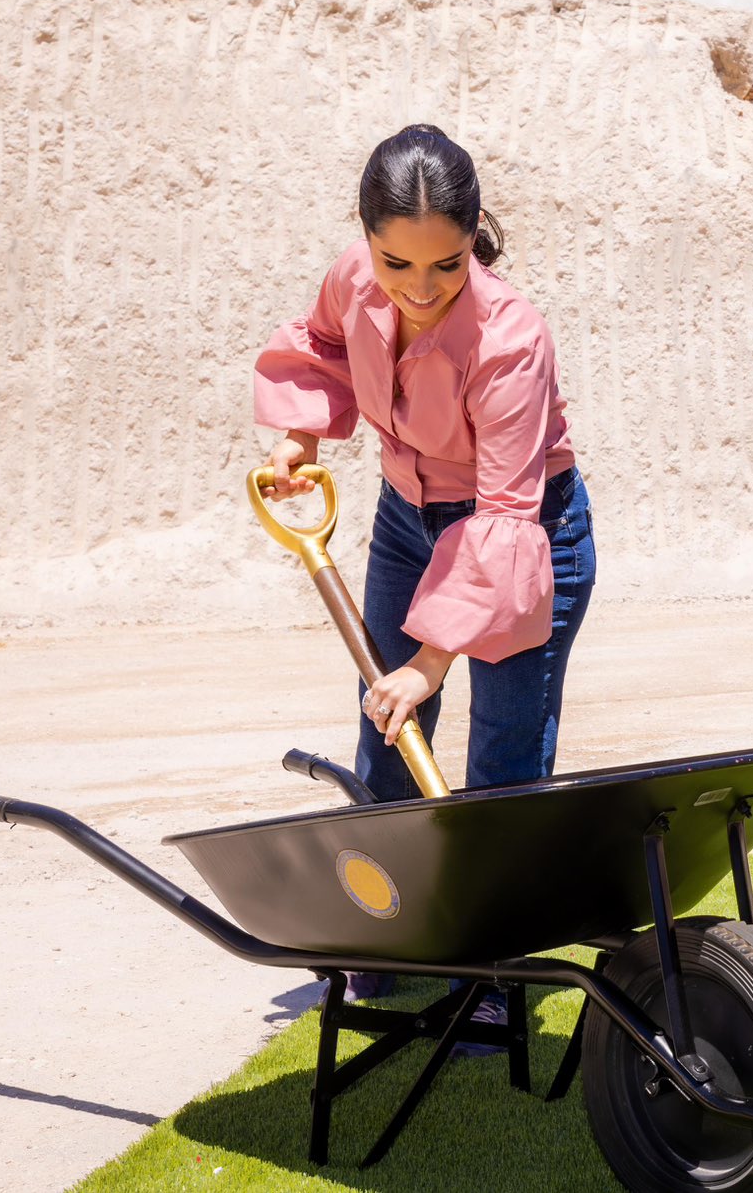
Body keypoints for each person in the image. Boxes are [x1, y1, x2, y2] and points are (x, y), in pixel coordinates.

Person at [255, 124, 595, 1010]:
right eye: (395, 264)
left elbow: (505, 515)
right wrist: (299, 434)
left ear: (474, 233)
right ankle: (393, 933)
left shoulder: (510, 337)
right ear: (367, 239)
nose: (418, 289)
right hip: (408, 522)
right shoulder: (352, 278)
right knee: (386, 735)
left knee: (504, 758)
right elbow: (327, 346)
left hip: (523, 533)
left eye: (444, 266)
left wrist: (430, 660)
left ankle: (497, 972)